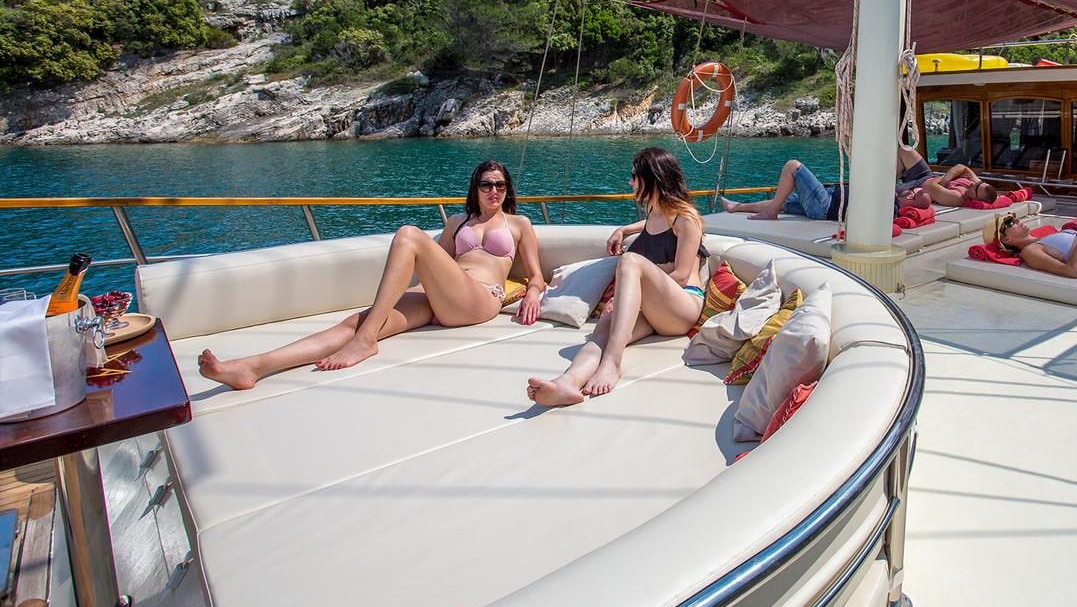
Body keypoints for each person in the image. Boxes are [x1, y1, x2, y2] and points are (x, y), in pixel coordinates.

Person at [198, 160, 546, 390]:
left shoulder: (519, 225)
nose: (494, 191)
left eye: (500, 185)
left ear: (508, 189)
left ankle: (366, 342)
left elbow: (536, 276)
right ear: (476, 188)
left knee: (409, 233)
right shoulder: (456, 223)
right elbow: (438, 264)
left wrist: (532, 293)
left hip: (479, 299)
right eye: (486, 184)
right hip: (437, 297)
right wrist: (410, 292)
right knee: (354, 323)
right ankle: (253, 367)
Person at [527, 147, 708, 406]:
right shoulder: (653, 214)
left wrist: (630, 289)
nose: (630, 181)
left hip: (683, 307)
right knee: (604, 329)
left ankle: (612, 363)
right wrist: (623, 230)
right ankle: (568, 382)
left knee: (630, 260)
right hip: (654, 308)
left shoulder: (686, 218)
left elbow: (680, 275)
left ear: (652, 178)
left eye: (634, 176)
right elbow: (649, 228)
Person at [718, 142, 938, 221]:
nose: (912, 190)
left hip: (824, 205)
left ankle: (771, 212)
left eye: (915, 193)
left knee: (792, 166)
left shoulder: (888, 206)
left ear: (911, 198)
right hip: (829, 200)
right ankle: (736, 207)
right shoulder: (891, 202)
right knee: (783, 200)